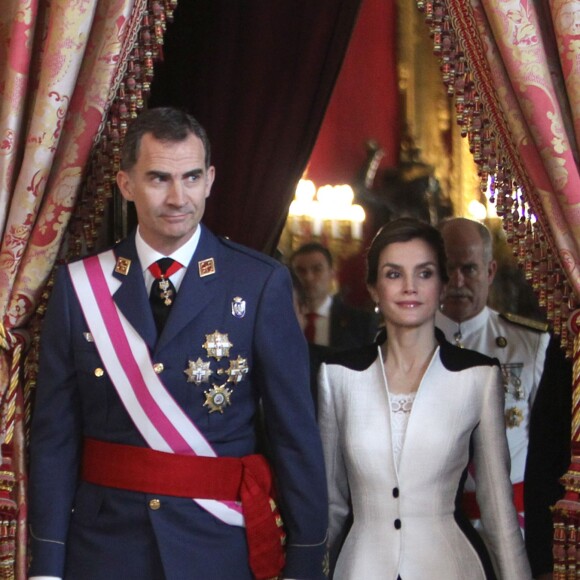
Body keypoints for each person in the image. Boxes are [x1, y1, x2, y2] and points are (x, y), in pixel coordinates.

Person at [27, 107, 328, 580]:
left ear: (210, 180)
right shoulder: (78, 288)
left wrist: (307, 558)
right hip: (106, 549)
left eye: (190, 177)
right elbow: (54, 439)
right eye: (158, 178)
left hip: (218, 546)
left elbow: (295, 434)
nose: (177, 197)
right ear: (126, 184)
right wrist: (46, 564)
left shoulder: (258, 282)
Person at [318, 217, 530, 579]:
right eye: (394, 274)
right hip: (360, 568)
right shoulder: (337, 376)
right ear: (373, 288)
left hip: (452, 566)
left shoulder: (478, 376)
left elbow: (497, 510)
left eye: (425, 273)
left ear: (443, 285)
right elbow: (331, 507)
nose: (410, 287)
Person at [435, 218, 567, 552]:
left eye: (469, 269)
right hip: (431, 535)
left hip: (511, 531)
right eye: (448, 268)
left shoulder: (531, 345)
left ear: (490, 270)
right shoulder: (401, 342)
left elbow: (550, 451)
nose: (457, 281)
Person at [290, 242, 377, 350]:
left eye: (317, 269)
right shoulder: (283, 319)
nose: (309, 277)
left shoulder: (360, 322)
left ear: (332, 273)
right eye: (300, 271)